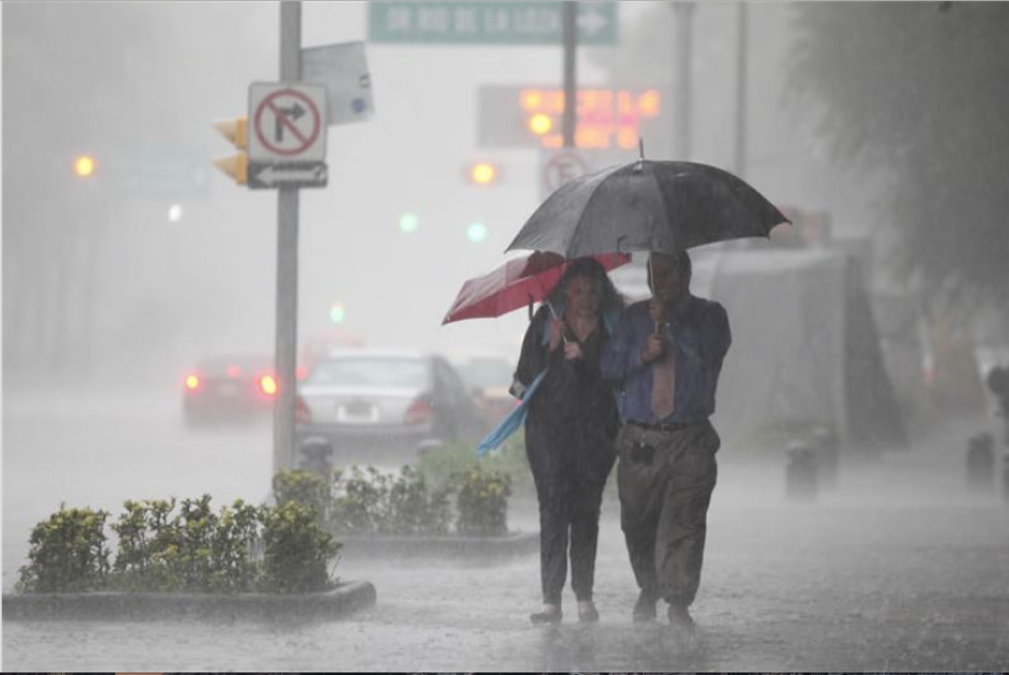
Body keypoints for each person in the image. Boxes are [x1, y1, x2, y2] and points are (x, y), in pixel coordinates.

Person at [600, 249, 731, 631]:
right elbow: (609, 367)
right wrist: (642, 355)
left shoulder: (710, 315)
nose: (659, 283)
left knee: (685, 520)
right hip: (641, 438)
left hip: (689, 437)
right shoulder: (633, 319)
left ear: (685, 275)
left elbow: (710, 355)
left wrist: (672, 326)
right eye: (653, 275)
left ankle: (678, 599)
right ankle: (649, 586)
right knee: (637, 522)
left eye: (667, 274)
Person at [512, 257, 624, 624]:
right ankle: (551, 601)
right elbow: (520, 383)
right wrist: (549, 348)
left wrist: (587, 357)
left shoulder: (614, 326)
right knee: (553, 510)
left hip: (596, 435)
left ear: (602, 293)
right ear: (566, 292)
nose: (585, 299)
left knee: (587, 512)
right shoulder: (545, 323)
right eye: (578, 292)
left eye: (592, 292)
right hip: (548, 434)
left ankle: (584, 597)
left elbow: (624, 373)